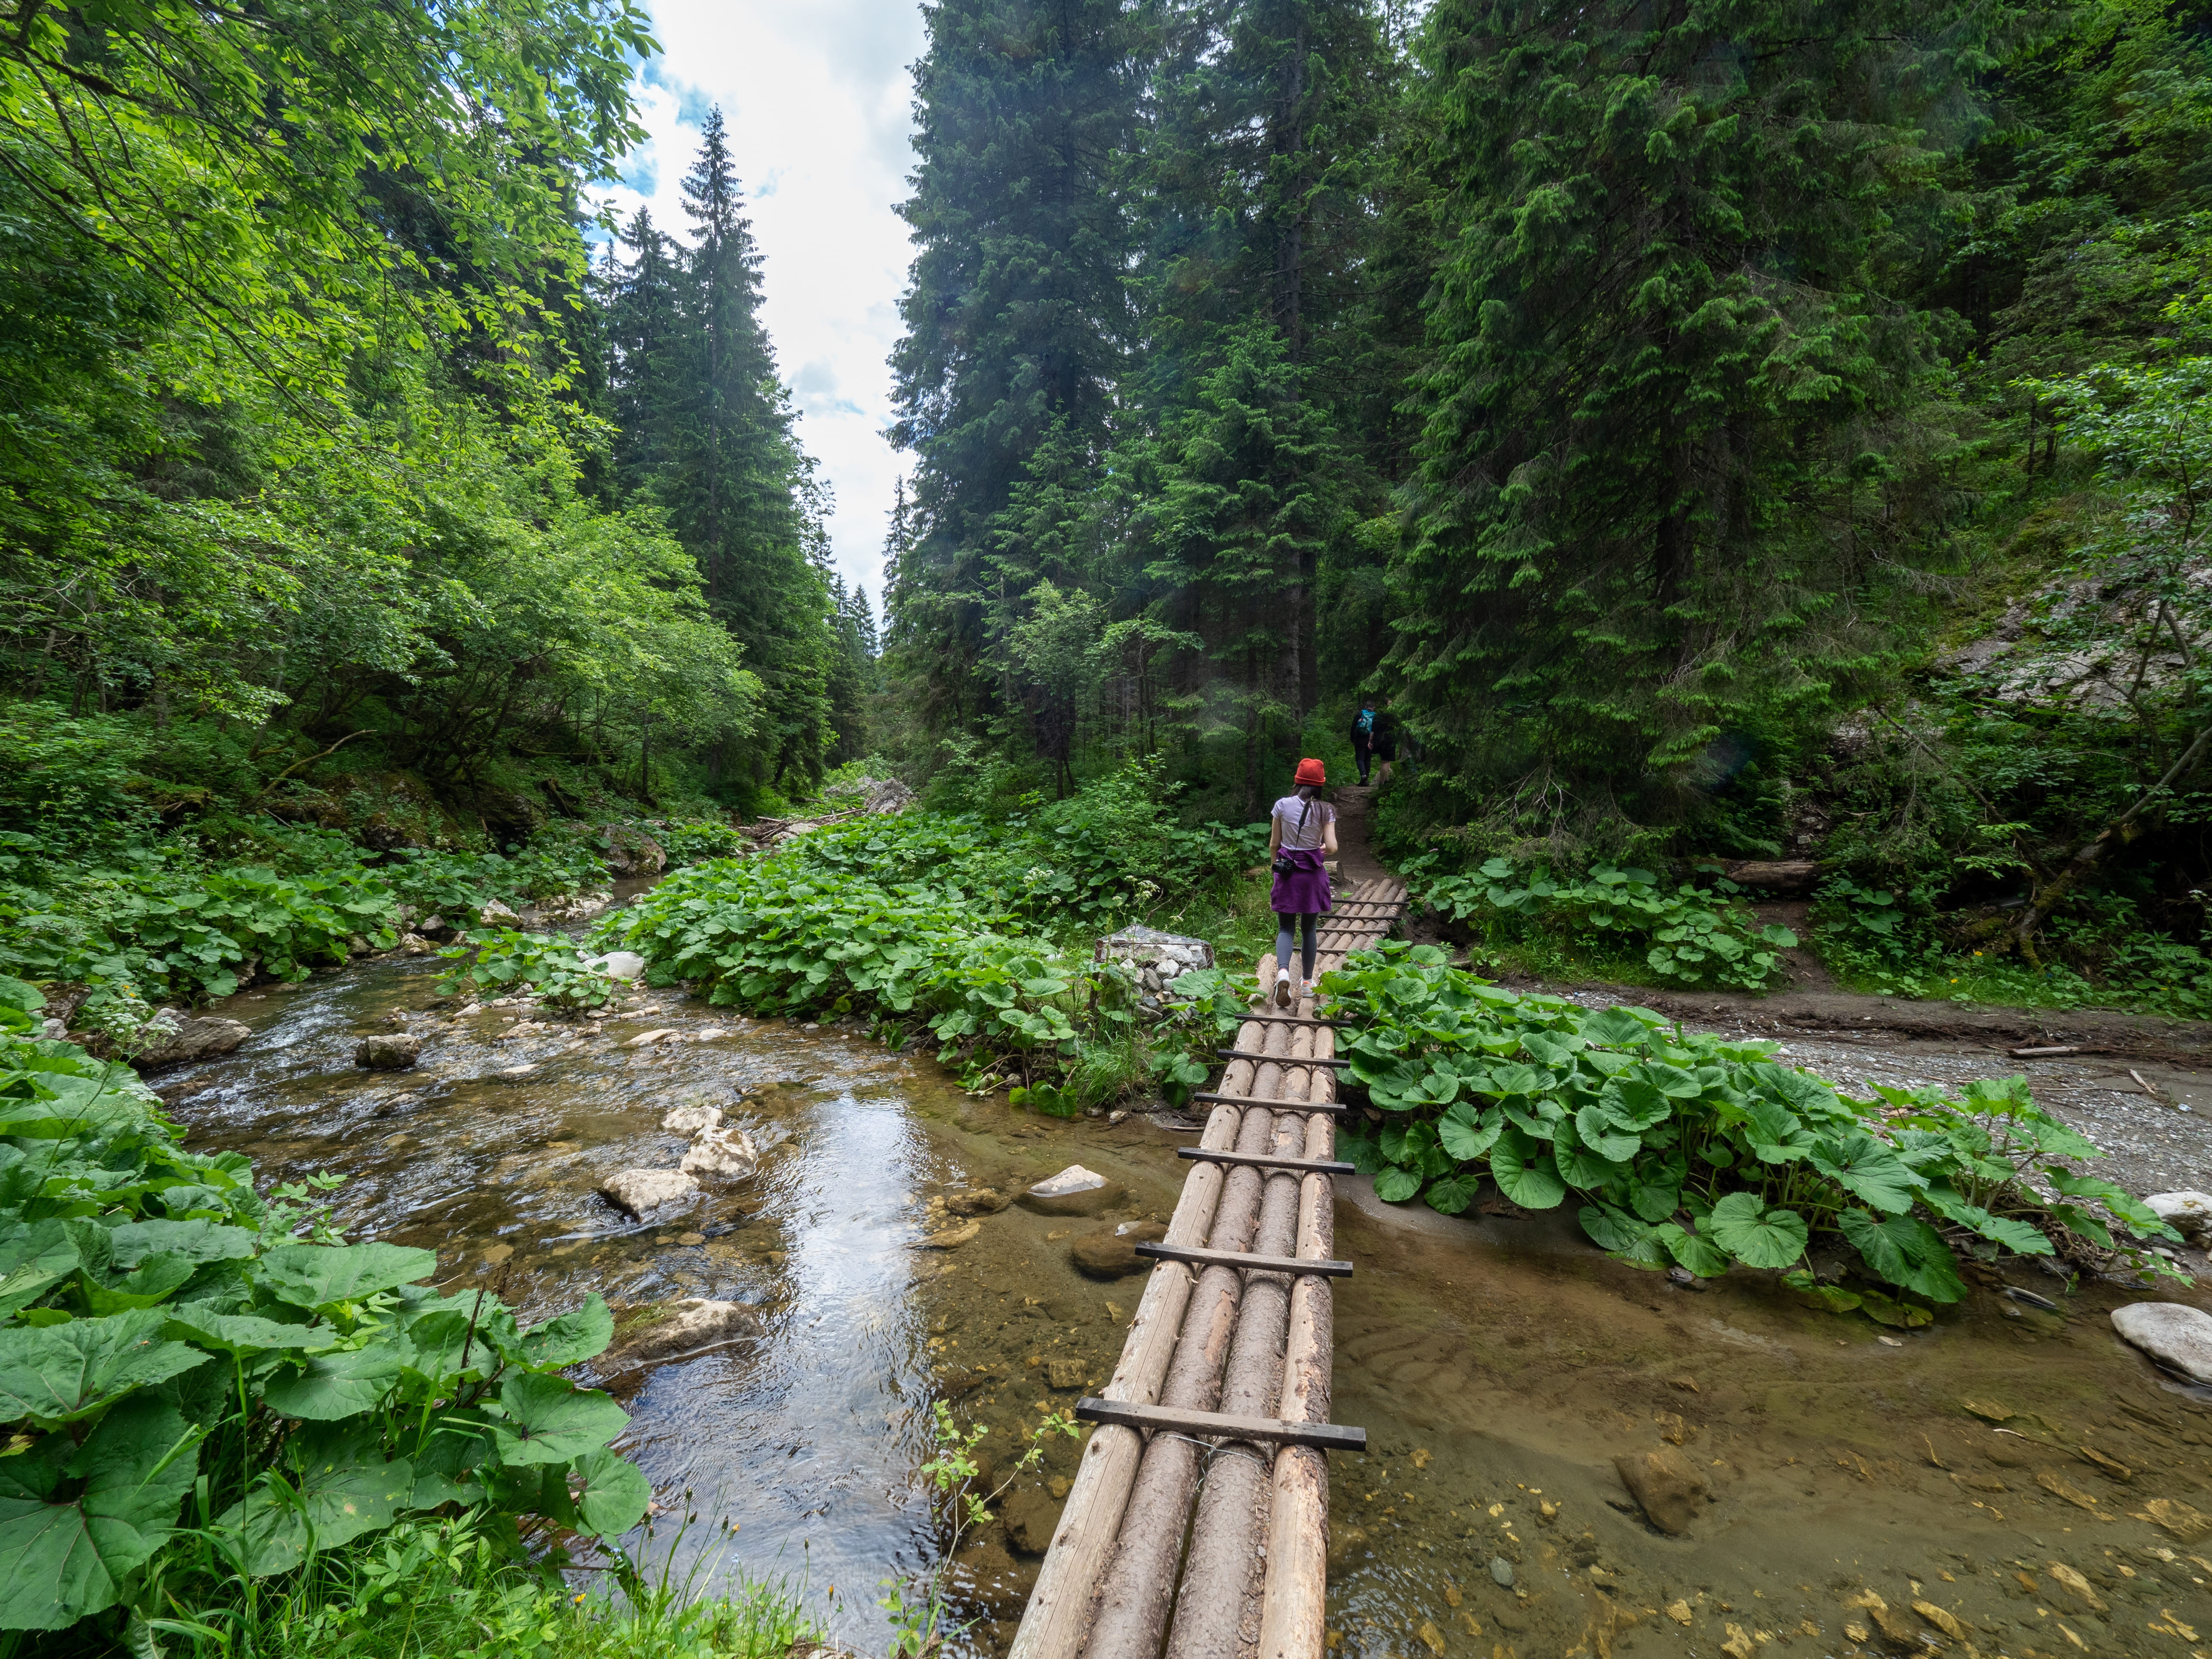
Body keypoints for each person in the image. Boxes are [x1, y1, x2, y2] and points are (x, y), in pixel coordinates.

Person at [1267, 757, 1338, 1006]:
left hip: (1287, 873)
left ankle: (1284, 972)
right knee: (1309, 929)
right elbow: (1332, 846)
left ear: (1298, 781)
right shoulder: (1326, 810)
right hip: (1312, 876)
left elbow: (1275, 844)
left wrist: (1276, 868)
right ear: (1320, 785)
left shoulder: (1282, 806)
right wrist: (1320, 848)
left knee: (1286, 928)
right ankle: (1307, 983)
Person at [1349, 698, 1377, 786]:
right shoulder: (1375, 716)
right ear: (1374, 708)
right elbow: (1376, 729)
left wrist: (1352, 739)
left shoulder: (1360, 714)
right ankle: (1366, 780)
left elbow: (1353, 727)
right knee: (1368, 760)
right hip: (1370, 740)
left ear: (1366, 707)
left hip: (1359, 739)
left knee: (1360, 759)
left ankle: (1363, 775)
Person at [1371, 705, 1399, 789]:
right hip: (1388, 740)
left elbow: (1373, 729)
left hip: (1379, 740)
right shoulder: (1392, 715)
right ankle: (1382, 784)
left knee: (1385, 761)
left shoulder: (1377, 716)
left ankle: (1386, 780)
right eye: (1390, 702)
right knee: (1385, 762)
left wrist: (1370, 741)